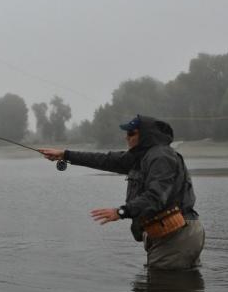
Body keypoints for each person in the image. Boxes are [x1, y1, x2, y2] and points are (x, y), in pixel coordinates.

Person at [38, 115, 204, 270]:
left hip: (176, 233)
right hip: (168, 233)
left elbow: (156, 197)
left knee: (162, 287)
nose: (127, 137)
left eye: (131, 133)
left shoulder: (161, 157)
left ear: (146, 136)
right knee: (177, 286)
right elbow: (104, 160)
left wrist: (121, 212)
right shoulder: (140, 157)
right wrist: (65, 154)